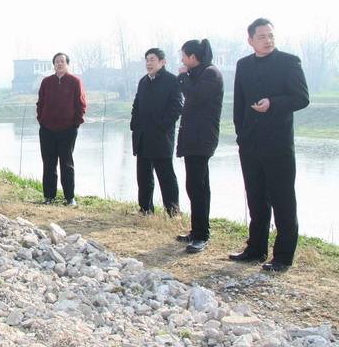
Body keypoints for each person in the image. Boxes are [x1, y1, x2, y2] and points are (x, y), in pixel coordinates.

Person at [230, 18, 309, 272]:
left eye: (271, 35)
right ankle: (255, 249)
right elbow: (239, 104)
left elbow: (301, 98)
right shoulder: (243, 65)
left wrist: (273, 103)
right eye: (262, 36)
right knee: (255, 197)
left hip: (278, 145)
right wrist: (241, 134)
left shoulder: (289, 62)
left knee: (283, 199)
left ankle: (283, 257)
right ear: (250, 40)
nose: (268, 40)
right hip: (250, 143)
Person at [174, 39, 224, 253]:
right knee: (194, 185)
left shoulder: (211, 74)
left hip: (202, 138)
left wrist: (183, 76)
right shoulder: (198, 73)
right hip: (192, 138)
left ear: (193, 57)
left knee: (199, 186)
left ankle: (202, 235)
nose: (182, 61)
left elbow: (193, 96)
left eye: (184, 56)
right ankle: (196, 231)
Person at [130, 47, 183, 216]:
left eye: (152, 59)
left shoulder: (171, 81)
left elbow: (176, 107)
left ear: (162, 62)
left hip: (161, 136)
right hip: (143, 136)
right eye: (146, 60)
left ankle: (172, 212)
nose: (149, 63)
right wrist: (135, 124)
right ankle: (145, 209)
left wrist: (161, 126)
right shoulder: (143, 81)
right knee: (144, 176)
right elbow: (136, 105)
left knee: (166, 176)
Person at [36, 52, 86, 206]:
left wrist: (75, 124)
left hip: (68, 129)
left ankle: (70, 197)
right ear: (53, 65)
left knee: (67, 164)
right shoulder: (46, 82)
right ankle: (48, 196)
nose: (60, 64)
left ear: (67, 64)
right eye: (57, 61)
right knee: (49, 164)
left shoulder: (75, 81)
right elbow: (40, 103)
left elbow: (81, 105)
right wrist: (42, 121)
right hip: (47, 129)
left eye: (62, 61)